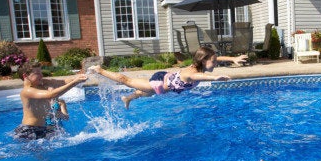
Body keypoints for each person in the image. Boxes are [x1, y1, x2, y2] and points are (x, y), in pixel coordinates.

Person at [89, 47, 247, 109]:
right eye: (213, 61)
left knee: (146, 93)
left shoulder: (200, 65)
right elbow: (196, 76)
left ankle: (128, 98)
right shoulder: (191, 72)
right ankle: (99, 69)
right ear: (204, 61)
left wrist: (232, 59)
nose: (215, 63)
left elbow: (217, 59)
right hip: (159, 82)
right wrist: (214, 77)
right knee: (127, 81)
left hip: (165, 81)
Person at [14, 62, 87, 140]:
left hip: (42, 128)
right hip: (29, 130)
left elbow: (63, 82)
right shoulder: (27, 91)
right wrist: (74, 83)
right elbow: (51, 94)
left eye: (41, 72)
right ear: (25, 76)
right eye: (37, 73)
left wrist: (79, 78)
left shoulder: (43, 82)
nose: (41, 75)